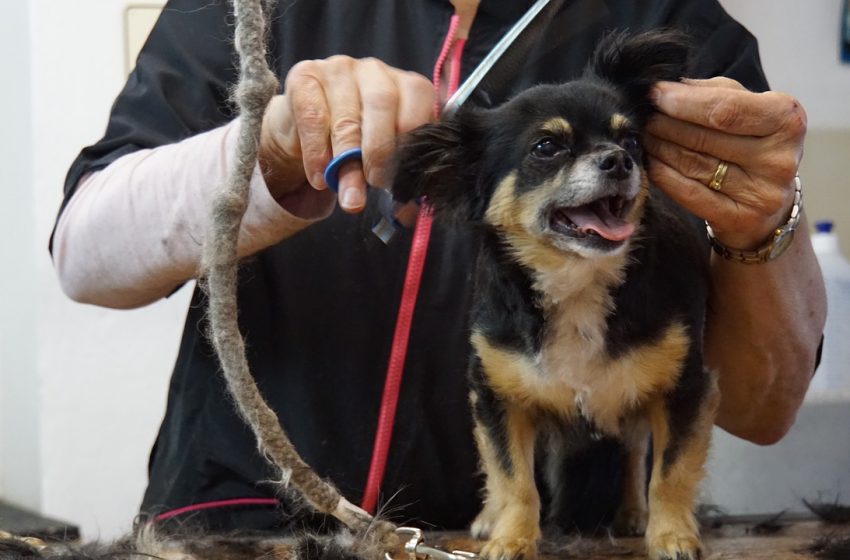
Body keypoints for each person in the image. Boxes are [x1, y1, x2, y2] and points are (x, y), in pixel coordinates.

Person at [51, 0, 826, 534]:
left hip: (543, 539)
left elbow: (764, 407)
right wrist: (277, 146)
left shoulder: (670, 30)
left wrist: (765, 222)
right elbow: (84, 254)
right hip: (244, 525)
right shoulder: (258, 9)